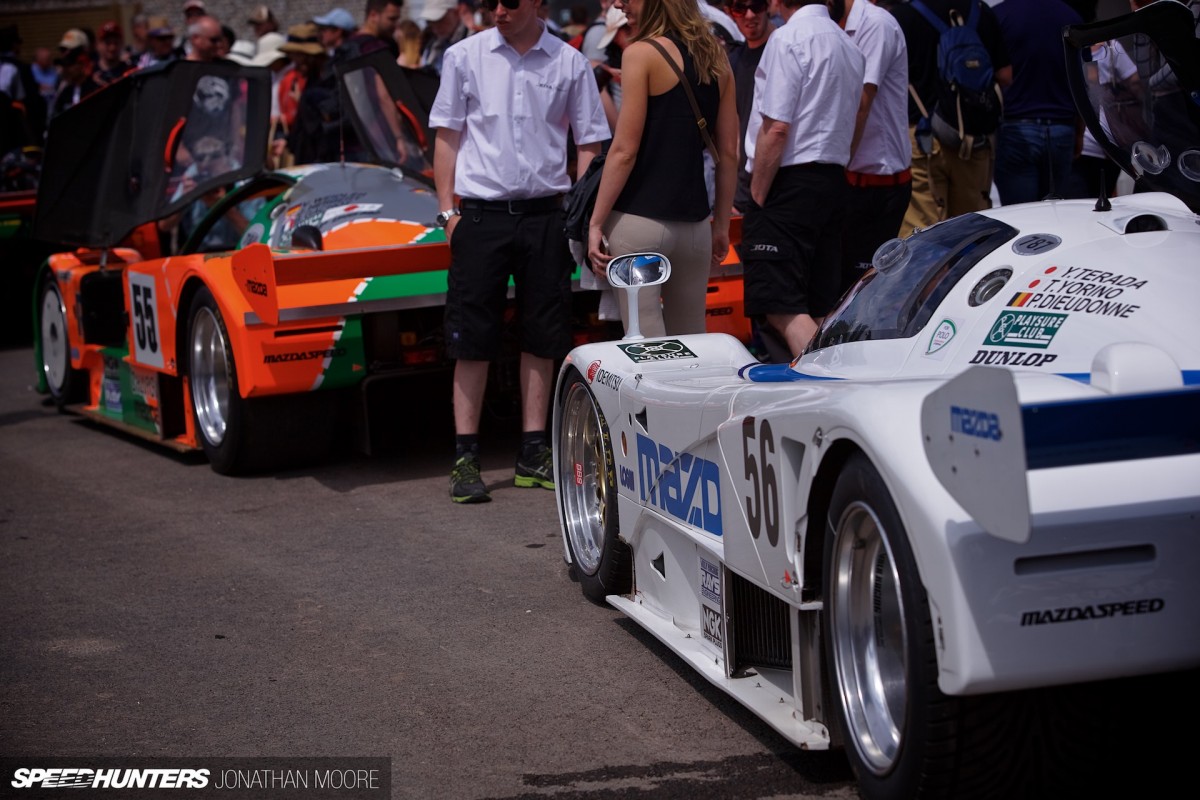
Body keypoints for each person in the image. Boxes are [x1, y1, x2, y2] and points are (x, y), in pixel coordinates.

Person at [430, 0, 609, 503]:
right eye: (490, 2)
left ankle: (533, 451)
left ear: (537, 4)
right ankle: (466, 456)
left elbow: (590, 143)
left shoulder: (570, 61)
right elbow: (447, 136)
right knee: (471, 336)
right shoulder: (464, 56)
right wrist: (446, 214)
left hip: (545, 216)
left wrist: (578, 212)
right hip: (479, 216)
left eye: (509, 1)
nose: (498, 10)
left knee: (544, 333)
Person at [586, 0, 739, 340]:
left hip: (638, 223)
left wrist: (595, 222)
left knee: (646, 346)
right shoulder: (715, 57)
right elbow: (729, 154)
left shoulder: (640, 54)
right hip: (696, 226)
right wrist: (721, 225)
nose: (618, 3)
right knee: (692, 342)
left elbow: (624, 151)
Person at [740, 0, 864, 357]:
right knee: (821, 305)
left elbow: (777, 127)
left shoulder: (788, 38)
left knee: (782, 306)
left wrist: (758, 197)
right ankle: (838, 376)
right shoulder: (849, 47)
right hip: (832, 179)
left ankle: (832, 379)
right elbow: (857, 119)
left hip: (788, 182)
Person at [891, 0, 1011, 236]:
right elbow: (1005, 75)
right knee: (971, 230)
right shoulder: (981, 12)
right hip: (972, 138)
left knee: (920, 230)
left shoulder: (903, 16)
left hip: (922, 138)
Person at [832, 0, 910, 294]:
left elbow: (860, 104)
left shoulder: (876, 24)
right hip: (854, 178)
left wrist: (836, 168)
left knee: (863, 291)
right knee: (843, 287)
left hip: (876, 182)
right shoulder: (835, 25)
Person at [992, 0, 1083, 205]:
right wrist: (1080, 131)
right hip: (1062, 128)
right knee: (1055, 214)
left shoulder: (999, 15)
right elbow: (1082, 80)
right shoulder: (1071, 16)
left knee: (1018, 215)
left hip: (1015, 128)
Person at [724, 0, 775, 212]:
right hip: (745, 193)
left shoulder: (784, 50)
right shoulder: (735, 60)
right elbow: (735, 135)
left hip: (781, 187)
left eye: (756, 5)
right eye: (739, 9)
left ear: (768, 5)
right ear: (729, 12)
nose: (749, 15)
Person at [49, 30, 102, 121]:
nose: (66, 54)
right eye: (63, 50)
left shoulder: (96, 83)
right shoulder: (62, 88)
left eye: (73, 52)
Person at [421, 0, 471, 74]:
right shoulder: (430, 44)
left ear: (456, 13)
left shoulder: (472, 42)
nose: (435, 27)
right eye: (430, 21)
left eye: (440, 20)